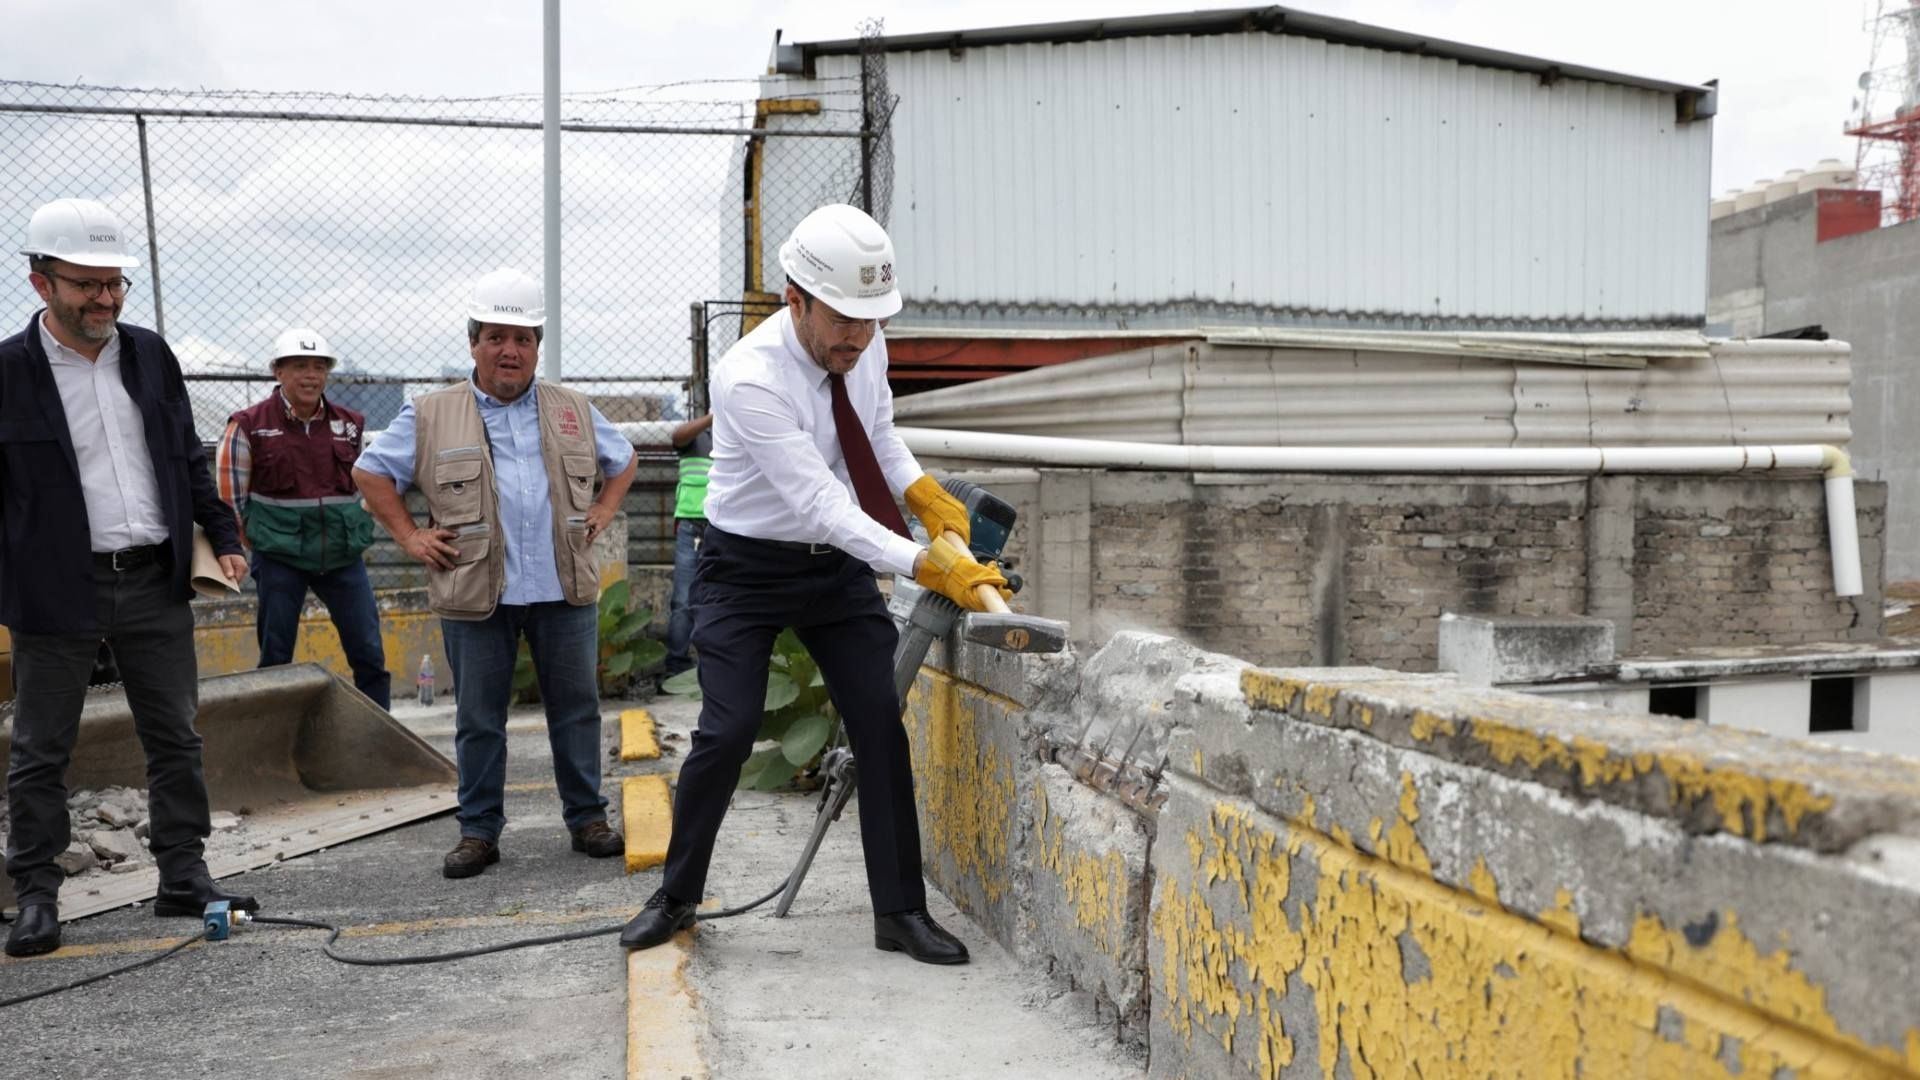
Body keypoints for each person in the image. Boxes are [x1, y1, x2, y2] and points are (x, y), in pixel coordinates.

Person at [619, 204, 1009, 965]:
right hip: (746, 569)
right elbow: (821, 503)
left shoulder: (865, 344)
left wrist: (922, 493)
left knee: (878, 720)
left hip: (832, 574)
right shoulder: (749, 379)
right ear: (794, 298)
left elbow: (879, 434)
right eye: (843, 321)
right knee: (726, 732)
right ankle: (675, 896)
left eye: (871, 322)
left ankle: (899, 913)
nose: (859, 339)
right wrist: (927, 561)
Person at [2, 199, 257, 958]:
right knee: (42, 747)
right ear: (41, 281)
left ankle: (183, 875)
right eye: (87, 285)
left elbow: (185, 451)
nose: (105, 300)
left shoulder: (149, 355)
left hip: (153, 577)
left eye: (114, 285)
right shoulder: (8, 373)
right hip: (55, 589)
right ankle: (36, 896)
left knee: (175, 737)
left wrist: (223, 532)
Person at [353, 268, 639, 879]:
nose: (510, 351)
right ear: (473, 342)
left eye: (524, 339)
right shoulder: (431, 413)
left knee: (577, 709)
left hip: (562, 586)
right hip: (476, 588)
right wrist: (410, 535)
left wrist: (605, 510)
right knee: (480, 718)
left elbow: (624, 460)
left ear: (538, 346)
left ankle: (587, 818)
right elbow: (371, 472)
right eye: (496, 337)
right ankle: (479, 831)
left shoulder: (573, 409)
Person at [215, 327, 390, 707]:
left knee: (370, 654)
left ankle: (380, 737)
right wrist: (261, 540)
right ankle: (272, 736)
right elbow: (230, 499)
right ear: (278, 372)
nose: (311, 375)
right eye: (299, 366)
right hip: (281, 558)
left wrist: (357, 528)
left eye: (318, 367)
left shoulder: (351, 424)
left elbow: (368, 486)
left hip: (343, 558)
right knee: (276, 656)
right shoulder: (248, 424)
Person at [660, 411, 712, 687]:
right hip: (691, 526)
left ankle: (712, 668)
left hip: (722, 529)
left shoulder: (739, 436)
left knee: (717, 600)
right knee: (683, 600)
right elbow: (677, 436)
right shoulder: (697, 437)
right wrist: (711, 418)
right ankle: (676, 667)